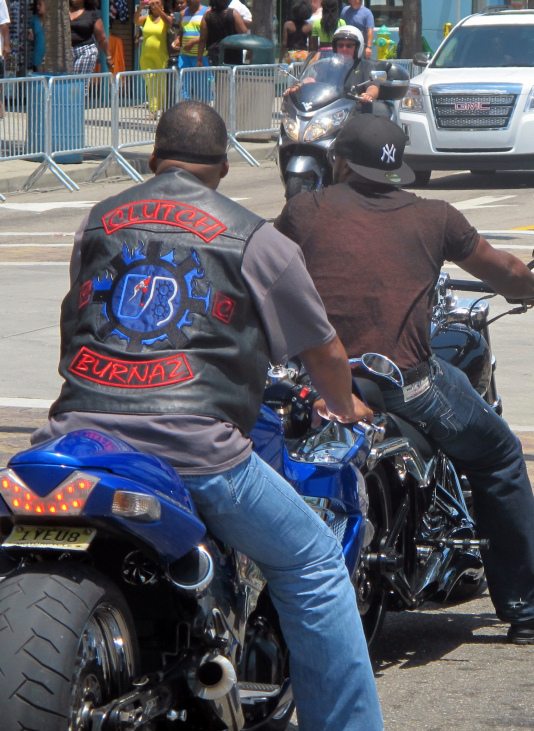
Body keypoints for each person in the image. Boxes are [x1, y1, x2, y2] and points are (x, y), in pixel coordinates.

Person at [31, 100, 383, 730]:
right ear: (224, 167)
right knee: (315, 561)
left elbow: (79, 318)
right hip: (197, 454)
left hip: (75, 440)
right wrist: (342, 402)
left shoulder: (98, 221)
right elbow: (324, 349)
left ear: (150, 159)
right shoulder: (254, 237)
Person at [274, 115, 534, 645]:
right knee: (498, 455)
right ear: (400, 170)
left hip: (319, 380)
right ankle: (533, 608)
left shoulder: (305, 211)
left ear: (340, 162)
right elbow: (504, 271)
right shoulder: (435, 216)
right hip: (407, 384)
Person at [295, 26, 379, 104]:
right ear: (335, 47)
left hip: (355, 111)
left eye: (349, 45)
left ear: (357, 48)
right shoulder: (327, 65)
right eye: (340, 45)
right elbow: (312, 79)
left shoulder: (365, 66)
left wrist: (369, 95)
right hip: (329, 109)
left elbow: (373, 86)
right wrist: (298, 86)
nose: (344, 49)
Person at [134, 0, 173, 118]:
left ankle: (165, 110)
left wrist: (160, 11)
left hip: (161, 55)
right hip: (146, 55)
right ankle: (153, 110)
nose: (155, 5)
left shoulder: (165, 18)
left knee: (162, 83)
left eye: (158, 2)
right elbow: (136, 21)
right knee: (150, 82)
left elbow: (170, 22)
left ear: (162, 5)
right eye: (153, 3)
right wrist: (139, 9)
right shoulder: (147, 18)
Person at [69, 0, 115, 74]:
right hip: (68, 51)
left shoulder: (92, 13)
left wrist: (108, 57)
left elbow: (102, 38)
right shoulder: (64, 12)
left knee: (77, 81)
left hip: (85, 51)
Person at [197, 0, 247, 67]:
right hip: (233, 53)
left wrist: (199, 59)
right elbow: (243, 32)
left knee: (217, 76)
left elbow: (202, 39)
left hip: (214, 54)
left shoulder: (207, 15)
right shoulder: (233, 13)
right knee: (232, 76)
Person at [174, 0, 206, 97]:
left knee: (202, 89)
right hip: (184, 56)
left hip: (201, 57)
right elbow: (181, 31)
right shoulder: (183, 13)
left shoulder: (207, 12)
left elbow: (209, 34)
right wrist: (177, 39)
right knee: (183, 89)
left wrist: (193, 42)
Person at [29, 0, 45, 73]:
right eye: (37, 4)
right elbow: (30, 38)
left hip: (50, 54)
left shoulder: (52, 20)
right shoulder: (34, 19)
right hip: (38, 53)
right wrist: (30, 37)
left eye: (40, 4)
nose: (37, 6)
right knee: (42, 79)